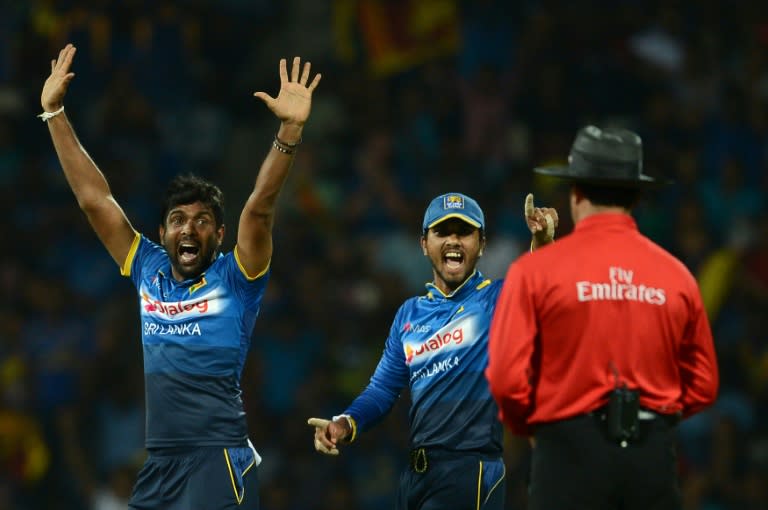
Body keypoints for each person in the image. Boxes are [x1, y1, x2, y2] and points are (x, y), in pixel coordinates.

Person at [39, 43, 321, 509]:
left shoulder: (236, 277)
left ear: (219, 234)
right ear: (162, 232)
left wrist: (289, 131)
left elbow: (261, 208)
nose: (189, 227)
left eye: (202, 220)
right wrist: (54, 114)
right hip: (160, 466)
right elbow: (95, 200)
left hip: (217, 460)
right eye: (178, 219)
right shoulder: (147, 268)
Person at [486, 125, 720, 510]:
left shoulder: (535, 272)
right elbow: (704, 385)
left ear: (576, 193)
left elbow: (506, 379)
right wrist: (656, 417)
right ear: (636, 196)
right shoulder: (677, 277)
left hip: (565, 456)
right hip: (650, 459)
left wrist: (536, 428)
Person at [308, 192, 558, 509]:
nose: (453, 240)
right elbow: (383, 389)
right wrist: (347, 421)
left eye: (464, 232)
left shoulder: (495, 300)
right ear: (424, 244)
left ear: (481, 244)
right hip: (416, 474)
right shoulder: (408, 315)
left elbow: (536, 291)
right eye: (442, 231)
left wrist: (542, 242)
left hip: (470, 470)